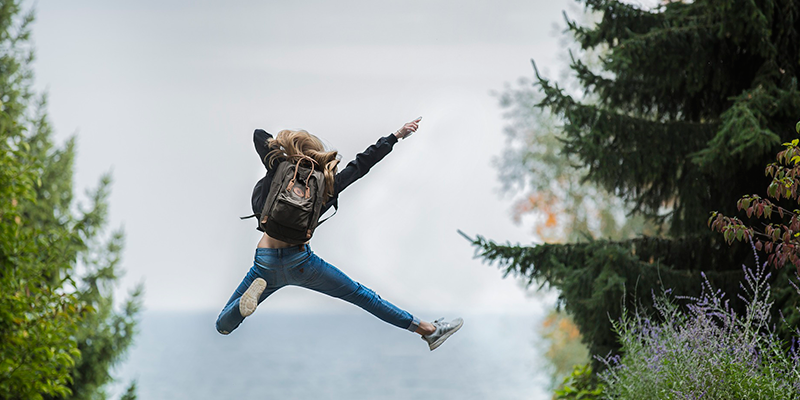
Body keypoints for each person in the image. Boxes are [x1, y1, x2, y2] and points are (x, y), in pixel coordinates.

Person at [215, 117, 463, 351]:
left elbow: (260, 135)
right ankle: (428, 331)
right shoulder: (326, 184)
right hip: (301, 263)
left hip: (265, 262)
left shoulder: (279, 168)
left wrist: (286, 151)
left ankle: (242, 306)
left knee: (223, 326)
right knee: (363, 296)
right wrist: (396, 136)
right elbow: (361, 165)